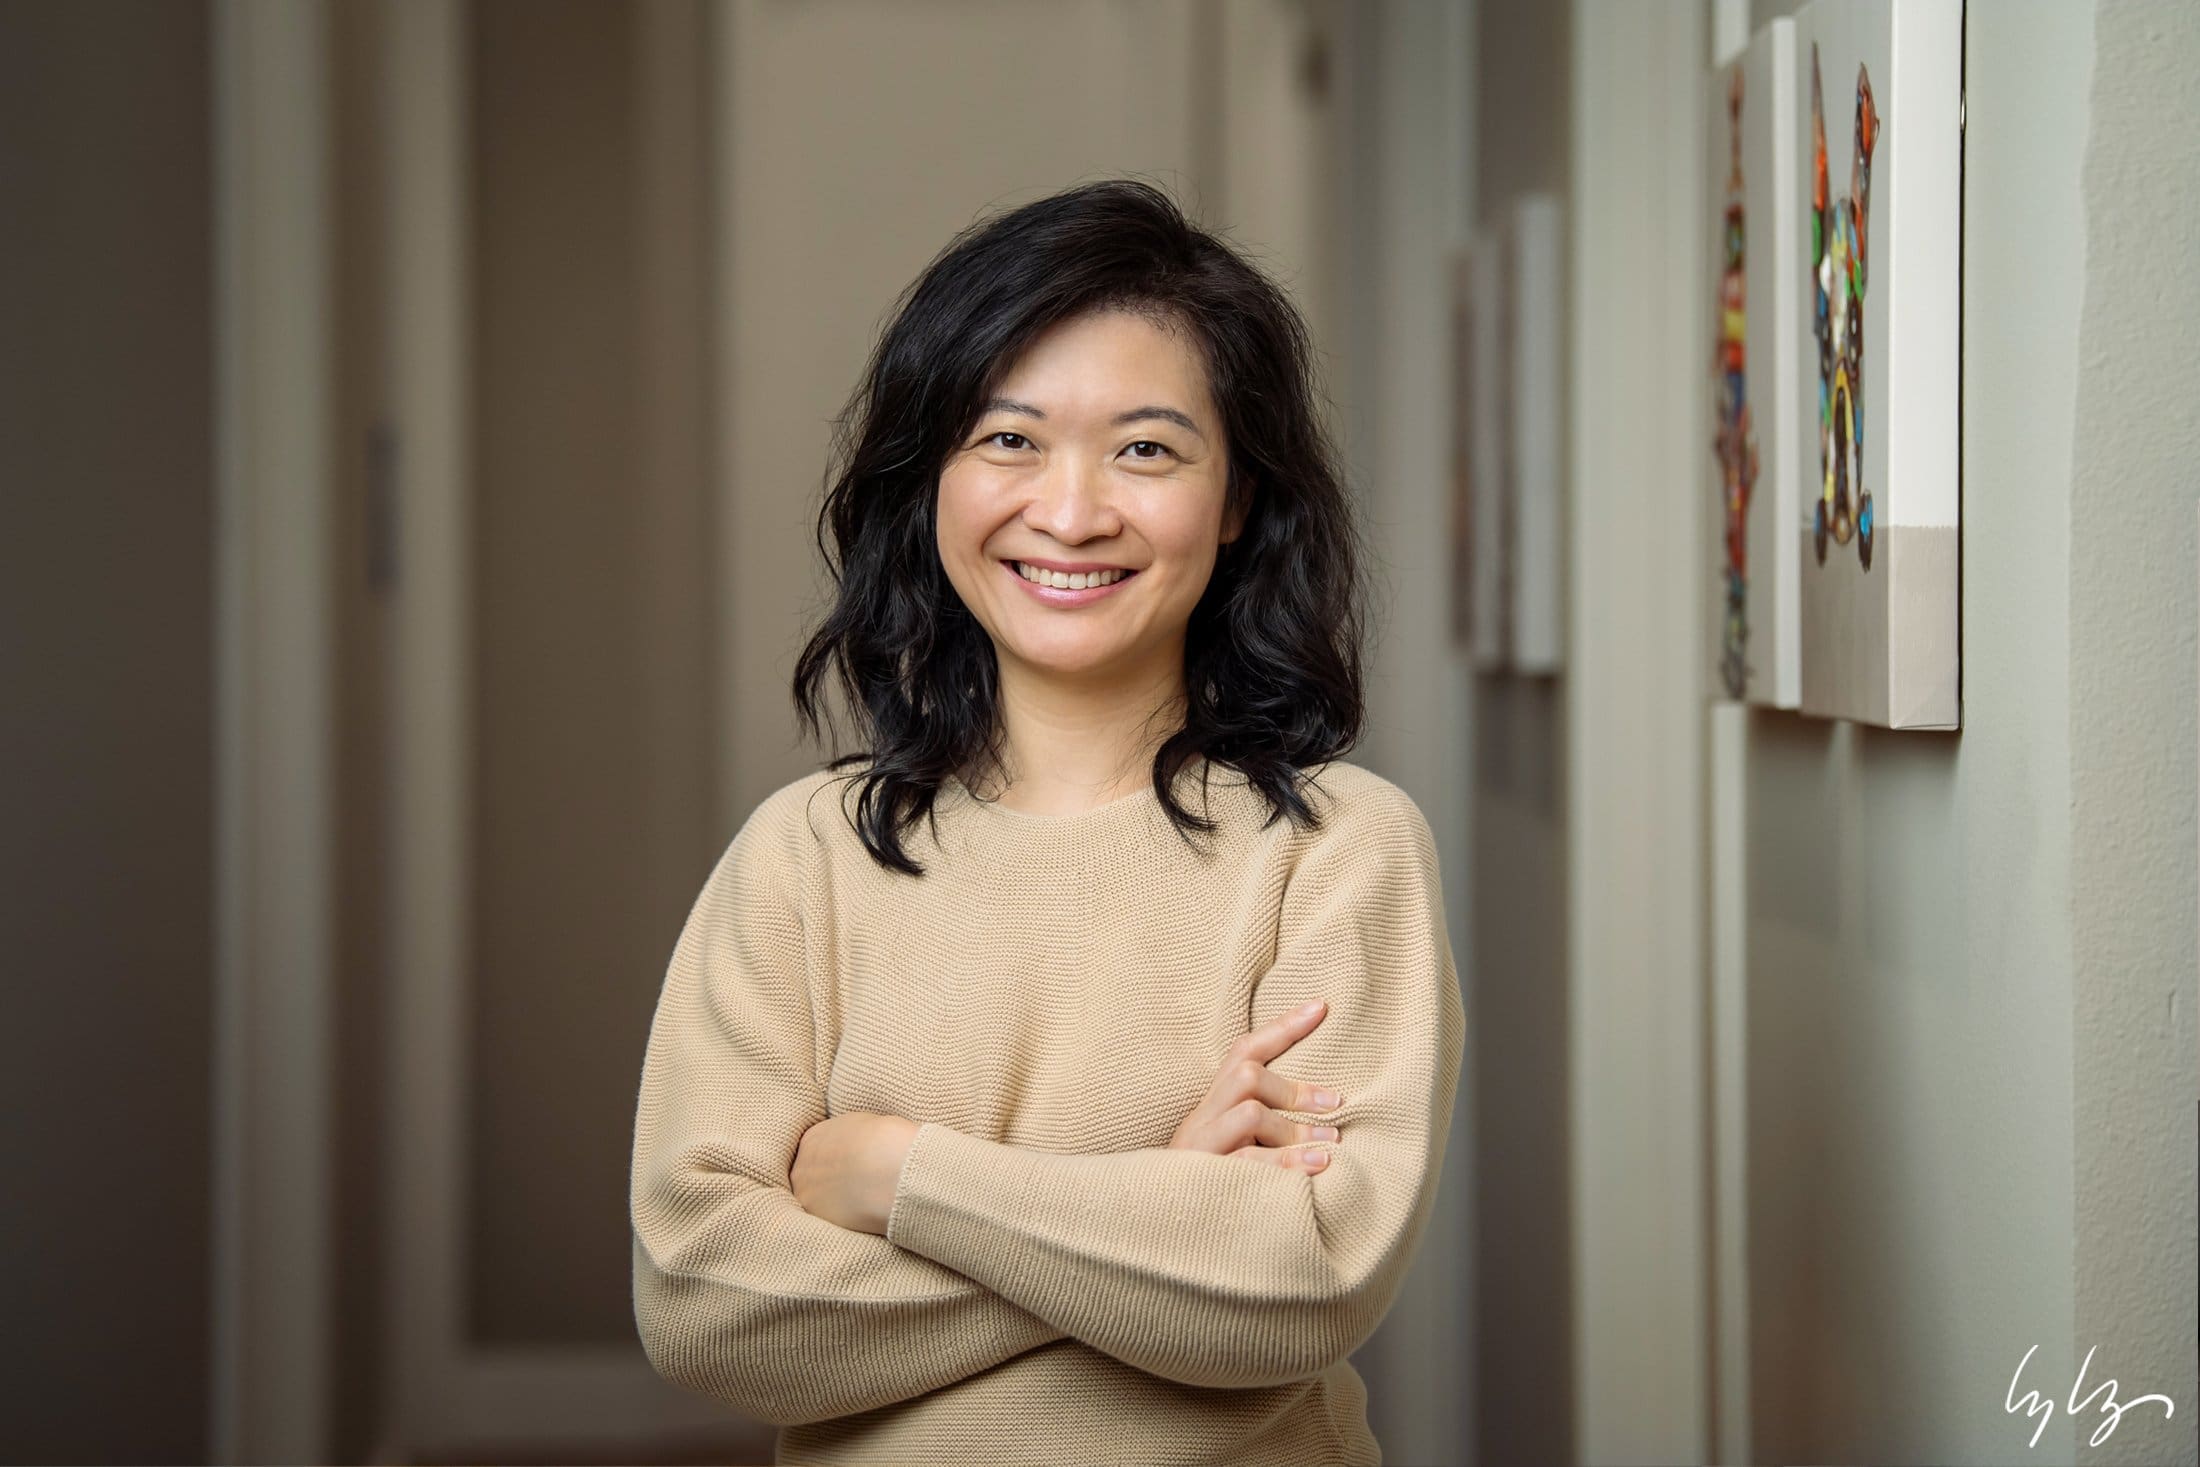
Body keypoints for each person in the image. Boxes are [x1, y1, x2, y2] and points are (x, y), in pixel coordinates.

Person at [630, 177, 1464, 1466]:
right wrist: (1156, 1220)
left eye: (1146, 448)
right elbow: (707, 1307)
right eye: (1009, 439)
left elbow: (1302, 1284)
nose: (1070, 514)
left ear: (1236, 500)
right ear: (931, 485)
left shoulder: (1338, 850)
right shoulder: (806, 856)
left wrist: (896, 1177)